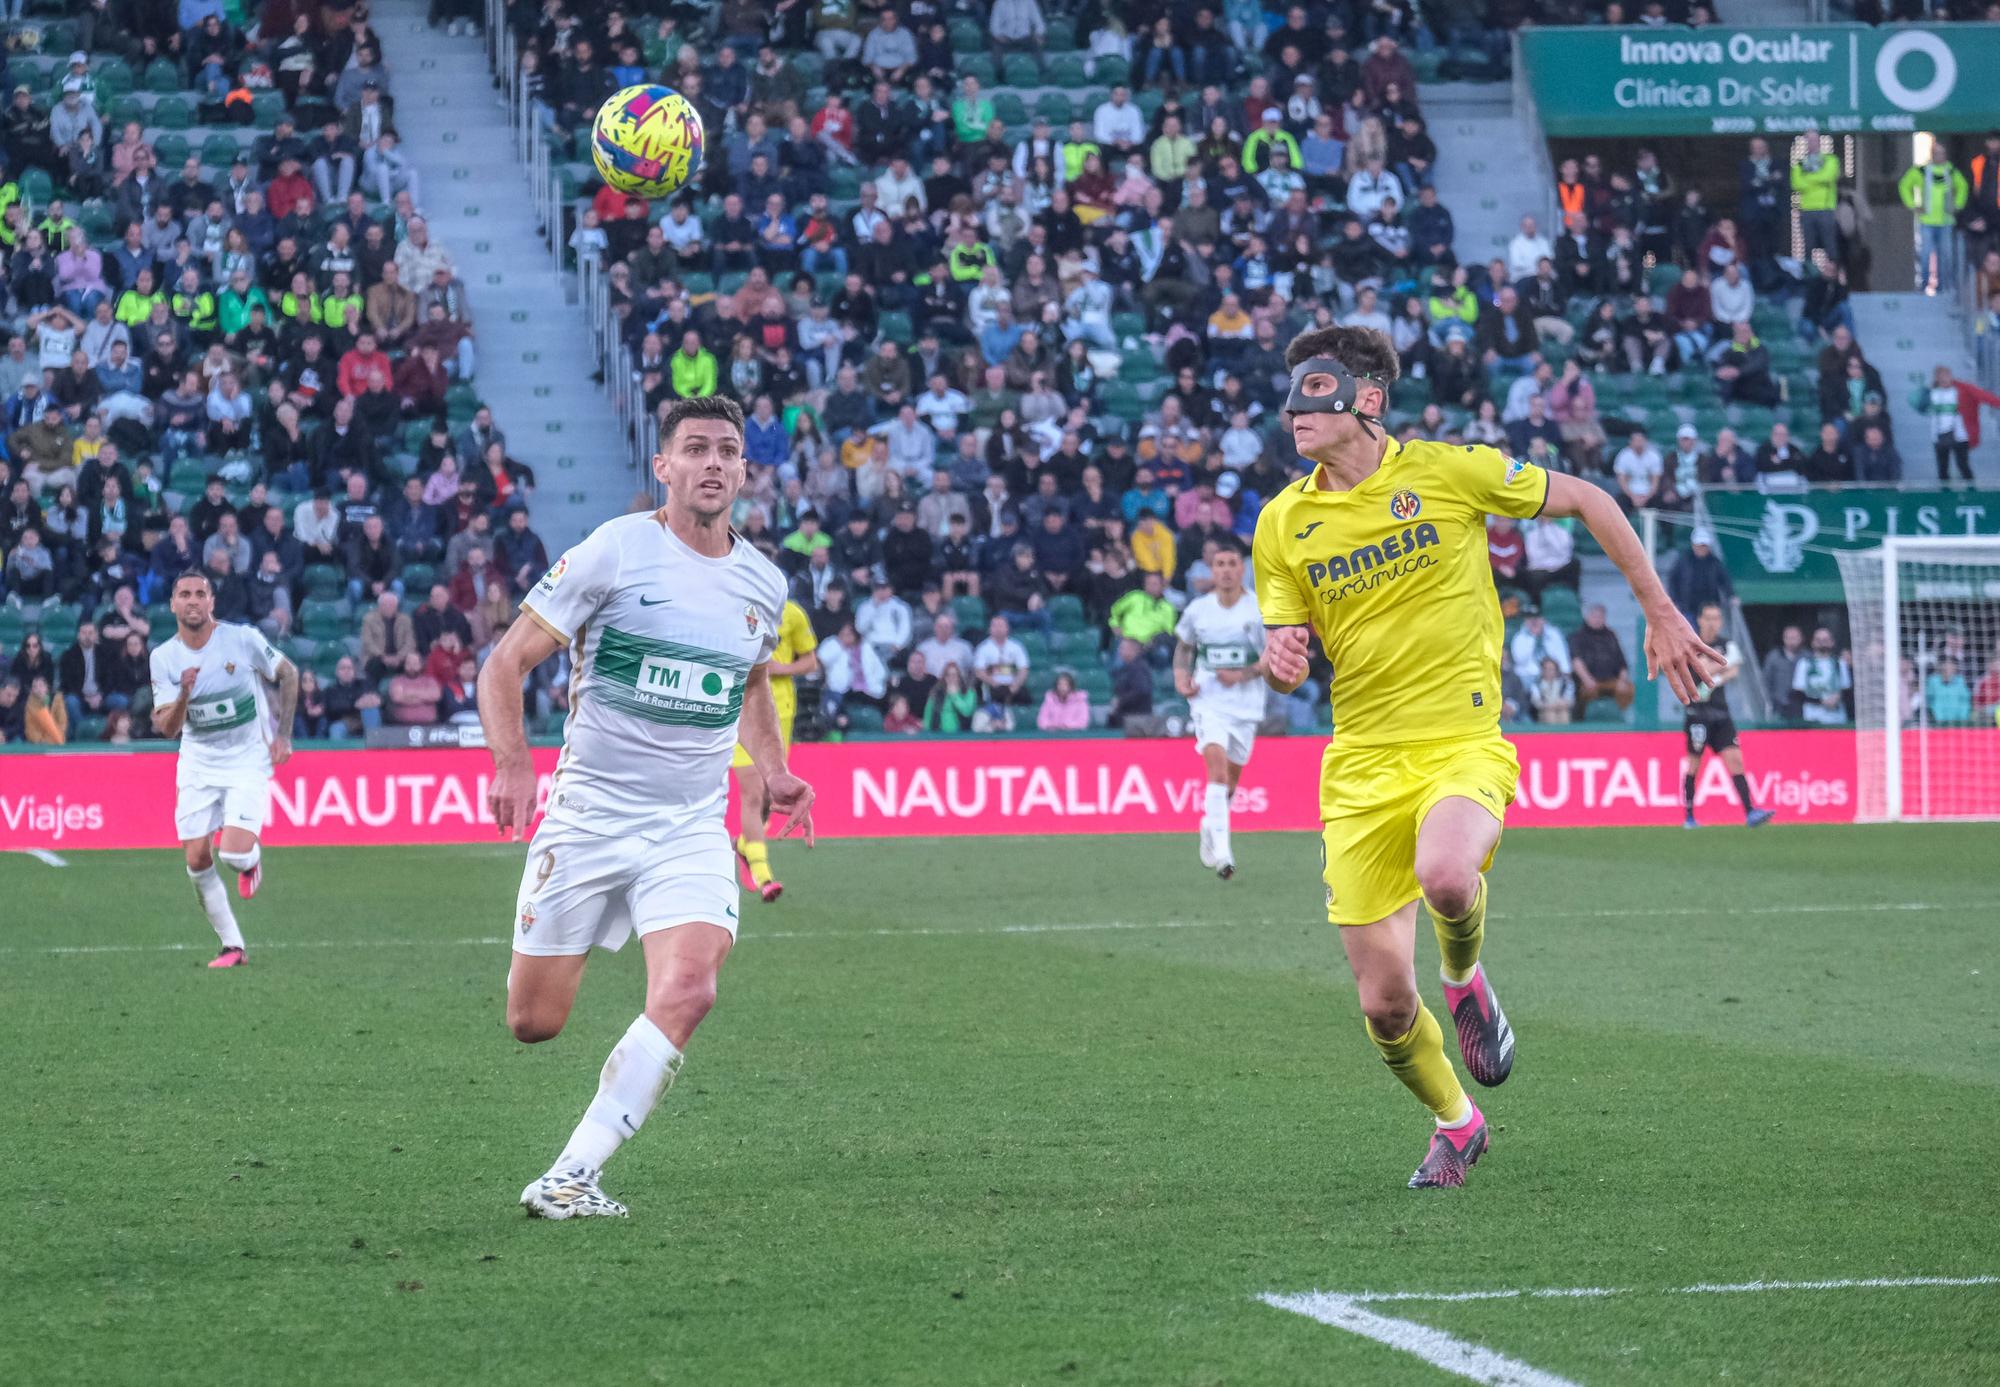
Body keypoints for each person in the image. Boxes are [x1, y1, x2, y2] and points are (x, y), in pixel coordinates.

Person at [1250, 324, 1720, 1189]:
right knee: (1383, 1005)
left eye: (1313, 391)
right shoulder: (1283, 523)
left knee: (1447, 877)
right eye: (1289, 397)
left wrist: (1659, 610)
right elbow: (1289, 643)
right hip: (1357, 765)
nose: (1293, 412)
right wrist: (1283, 657)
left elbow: (1592, 500)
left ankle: (1464, 977)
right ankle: (1457, 1123)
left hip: (1459, 741)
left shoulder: (1449, 472)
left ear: (1367, 400)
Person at [478, 396, 814, 1221]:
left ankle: (572, 1172)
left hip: (689, 825)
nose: (711, 463)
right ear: (661, 467)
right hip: (589, 814)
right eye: (694, 449)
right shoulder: (615, 553)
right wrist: (514, 765)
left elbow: (748, 683)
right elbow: (504, 662)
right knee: (533, 1021)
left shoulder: (764, 582)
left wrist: (772, 769)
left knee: (691, 987)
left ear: (743, 469)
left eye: (726, 450)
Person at [147, 570, 300, 968]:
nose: (193, 600)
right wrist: (183, 692)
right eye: (185, 594)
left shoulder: (241, 639)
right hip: (197, 763)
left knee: (232, 855)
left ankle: (250, 861)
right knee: (196, 858)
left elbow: (289, 673)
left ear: (211, 602)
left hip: (247, 759)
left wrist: (283, 735)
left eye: (201, 593)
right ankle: (233, 946)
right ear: (173, 604)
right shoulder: (163, 658)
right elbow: (167, 728)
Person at [1172, 537, 1265, 880]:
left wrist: (1242, 674)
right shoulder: (1199, 610)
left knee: (1230, 782)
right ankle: (1224, 855)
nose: (1225, 571)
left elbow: (1270, 659)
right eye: (1220, 565)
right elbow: (1184, 649)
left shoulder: (1258, 609)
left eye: (1232, 564)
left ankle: (1210, 824)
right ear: (1212, 570)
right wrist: (1182, 679)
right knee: (1217, 771)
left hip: (1246, 705)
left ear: (1242, 569)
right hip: (1208, 702)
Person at [731, 597, 820, 904]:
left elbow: (811, 661)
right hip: (739, 707)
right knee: (753, 793)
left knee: (770, 794)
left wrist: (784, 668)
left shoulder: (792, 613)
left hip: (780, 710)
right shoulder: (729, 605)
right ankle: (763, 873)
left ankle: (745, 845)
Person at [1681, 603, 1777, 831]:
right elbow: (1704, 667)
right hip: (1698, 714)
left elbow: (1732, 670)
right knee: (1694, 765)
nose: (1713, 623)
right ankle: (1689, 816)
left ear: (1721, 621)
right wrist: (1719, 666)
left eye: (1716, 618)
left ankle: (1751, 812)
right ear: (1700, 620)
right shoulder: (1691, 644)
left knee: (1736, 761)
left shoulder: (1725, 643)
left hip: (1721, 713)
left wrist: (1713, 674)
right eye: (1708, 618)